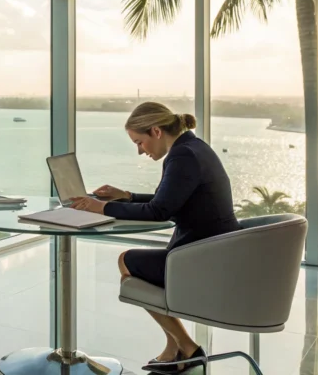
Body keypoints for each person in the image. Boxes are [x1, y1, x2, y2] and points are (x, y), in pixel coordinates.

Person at [67, 102, 239, 373]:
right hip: (213, 250)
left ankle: (187, 349)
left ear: (156, 131)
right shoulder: (192, 148)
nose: (139, 150)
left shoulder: (183, 156)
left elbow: (160, 211)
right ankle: (178, 350)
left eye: (139, 142)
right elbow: (171, 200)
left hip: (203, 258)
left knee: (127, 261)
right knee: (133, 262)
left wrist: (102, 207)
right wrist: (127, 196)